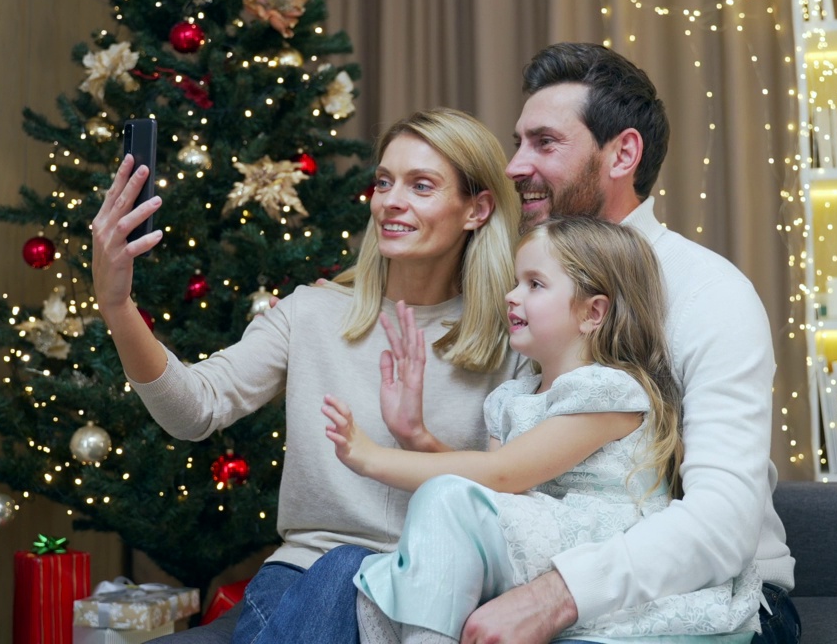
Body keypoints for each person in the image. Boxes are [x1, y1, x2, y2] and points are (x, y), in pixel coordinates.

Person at [90, 107, 524, 644]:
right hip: (303, 579)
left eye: (422, 185)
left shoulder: (515, 339)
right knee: (341, 566)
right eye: (384, 182)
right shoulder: (311, 313)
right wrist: (117, 305)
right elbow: (194, 409)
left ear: (477, 209)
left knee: (352, 567)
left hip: (432, 595)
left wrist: (418, 439)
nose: (391, 200)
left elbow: (511, 501)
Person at [444, 42, 799, 643]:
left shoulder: (710, 294)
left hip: (715, 602)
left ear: (623, 153)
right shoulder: (524, 291)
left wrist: (555, 597)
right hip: (537, 576)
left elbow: (724, 523)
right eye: (517, 141)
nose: (512, 166)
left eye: (544, 142)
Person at [322, 216, 764, 643]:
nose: (512, 296)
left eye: (534, 284)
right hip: (535, 549)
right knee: (378, 582)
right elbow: (496, 489)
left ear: (594, 312)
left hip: (598, 552)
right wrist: (418, 438)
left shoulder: (608, 392)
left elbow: (503, 475)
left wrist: (371, 457)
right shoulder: (511, 398)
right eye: (516, 282)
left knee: (440, 505)